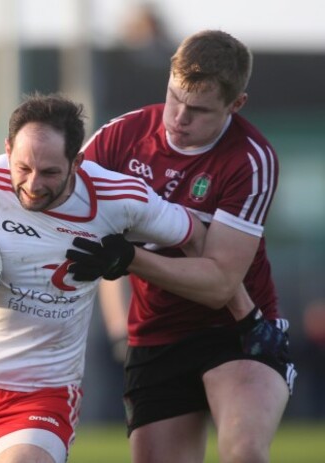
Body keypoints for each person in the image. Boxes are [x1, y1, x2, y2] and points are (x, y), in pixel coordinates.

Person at [0, 92, 256, 463]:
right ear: (8, 149)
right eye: (22, 168)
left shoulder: (120, 197)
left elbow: (196, 236)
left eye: (49, 173)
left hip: (40, 392)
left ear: (77, 161)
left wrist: (245, 315)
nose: (32, 185)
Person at [80, 29, 297, 463]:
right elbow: (60, 195)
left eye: (198, 110)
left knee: (245, 453)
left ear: (236, 105)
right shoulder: (122, 136)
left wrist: (129, 258)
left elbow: (219, 282)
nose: (178, 117)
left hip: (237, 331)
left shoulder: (251, 159)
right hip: (155, 336)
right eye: (174, 97)